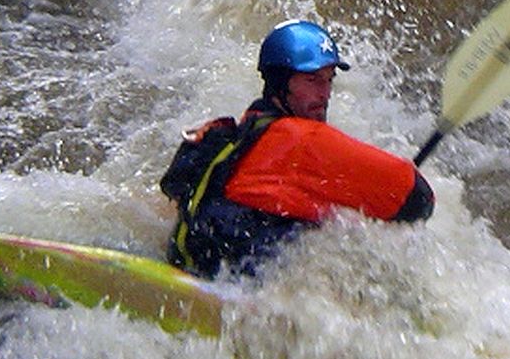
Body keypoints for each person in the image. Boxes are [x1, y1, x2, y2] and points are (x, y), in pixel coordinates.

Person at [160, 20, 435, 278]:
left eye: (329, 80)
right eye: (312, 80)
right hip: (232, 288)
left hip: (185, 265)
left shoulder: (234, 133)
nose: (324, 94)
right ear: (279, 83)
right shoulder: (302, 139)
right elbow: (418, 199)